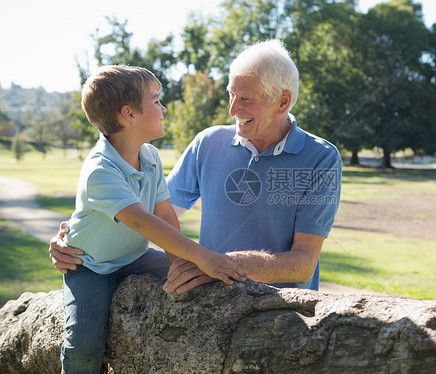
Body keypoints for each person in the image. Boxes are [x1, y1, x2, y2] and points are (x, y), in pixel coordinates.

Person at [50, 39, 341, 295]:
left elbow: (303, 264)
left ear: (283, 102)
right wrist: (77, 240)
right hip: (212, 306)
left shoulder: (321, 158)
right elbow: (156, 217)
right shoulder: (208, 142)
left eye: (246, 99)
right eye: (231, 94)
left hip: (281, 315)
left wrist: (219, 264)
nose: (232, 109)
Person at [58, 65, 247, 374]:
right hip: (90, 266)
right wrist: (203, 255)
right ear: (128, 114)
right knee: (84, 348)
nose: (164, 109)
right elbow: (145, 223)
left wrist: (182, 263)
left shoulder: (150, 157)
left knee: (197, 281)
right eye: (156, 101)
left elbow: (165, 214)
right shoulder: (100, 170)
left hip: (133, 257)